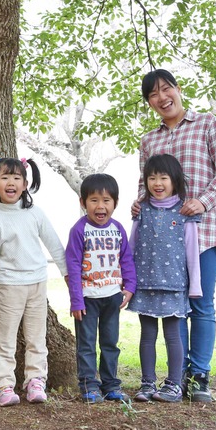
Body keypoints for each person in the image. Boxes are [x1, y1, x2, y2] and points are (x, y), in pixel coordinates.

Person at [134, 68, 216, 403]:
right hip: (160, 243)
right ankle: (174, 379)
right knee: (169, 307)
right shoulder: (149, 140)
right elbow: (144, 183)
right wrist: (138, 206)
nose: (161, 98)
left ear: (178, 89)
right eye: (153, 95)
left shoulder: (207, 123)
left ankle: (199, 375)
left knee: (200, 304)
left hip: (201, 233)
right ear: (149, 102)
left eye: (166, 89)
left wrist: (203, 202)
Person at [0, 156, 68, 407]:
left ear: (25, 184)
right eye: (5, 177)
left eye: (16, 178)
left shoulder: (35, 213)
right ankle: (3, 385)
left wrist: (67, 274)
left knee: (37, 337)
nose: (11, 182)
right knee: (6, 339)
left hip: (37, 284)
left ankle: (35, 380)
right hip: (8, 287)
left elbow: (54, 244)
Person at [128, 153, 201, 403]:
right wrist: (127, 280)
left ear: (175, 180)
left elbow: (192, 251)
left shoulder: (185, 211)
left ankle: (173, 384)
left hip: (174, 285)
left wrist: (195, 286)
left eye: (163, 177)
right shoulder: (141, 210)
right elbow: (132, 245)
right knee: (147, 336)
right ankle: (147, 382)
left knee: (173, 335)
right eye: (151, 178)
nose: (157, 183)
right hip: (145, 283)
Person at [64, 173, 136, 403]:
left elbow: (126, 260)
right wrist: (76, 300)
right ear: (83, 202)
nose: (100, 206)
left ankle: (111, 384)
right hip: (87, 299)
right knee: (86, 345)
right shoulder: (79, 230)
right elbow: (73, 266)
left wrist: (130, 287)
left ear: (115, 203)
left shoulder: (118, 229)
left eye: (106, 200)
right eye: (94, 200)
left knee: (110, 343)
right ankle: (88, 385)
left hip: (112, 296)